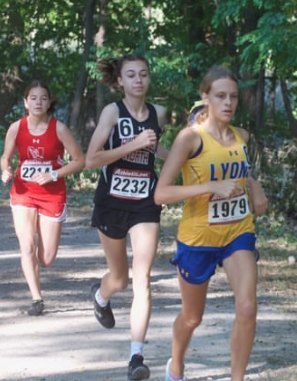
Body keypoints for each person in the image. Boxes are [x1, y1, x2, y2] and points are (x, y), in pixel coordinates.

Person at [154, 66, 268, 381]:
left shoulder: (242, 136)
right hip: (198, 237)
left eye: (233, 96)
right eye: (220, 96)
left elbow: (241, 173)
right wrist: (208, 188)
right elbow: (161, 193)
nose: (228, 102)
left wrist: (254, 186)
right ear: (205, 97)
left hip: (237, 232)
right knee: (193, 317)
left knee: (247, 308)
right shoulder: (190, 138)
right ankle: (176, 364)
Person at [85, 53, 168, 380]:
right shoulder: (112, 112)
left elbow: (160, 150)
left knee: (142, 278)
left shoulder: (159, 114)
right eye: (131, 75)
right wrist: (132, 144)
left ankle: (136, 357)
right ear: (120, 81)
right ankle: (100, 295)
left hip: (145, 204)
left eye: (143, 74)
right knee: (119, 279)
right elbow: (92, 159)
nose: (138, 80)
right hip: (111, 204)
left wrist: (187, 154)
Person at [0, 80, 85, 316]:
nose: (38, 102)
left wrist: (53, 174)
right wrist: (5, 170)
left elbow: (80, 161)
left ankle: (36, 265)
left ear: (49, 103)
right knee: (27, 246)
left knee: (46, 258)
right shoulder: (17, 127)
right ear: (26, 102)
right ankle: (36, 298)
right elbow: (5, 157)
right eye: (33, 98)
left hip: (52, 194)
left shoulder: (59, 129)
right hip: (23, 192)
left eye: (43, 98)